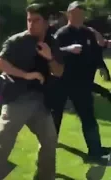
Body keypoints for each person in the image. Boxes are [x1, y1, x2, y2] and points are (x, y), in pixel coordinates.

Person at [0, 4, 63, 180]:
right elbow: (0, 63)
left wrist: (49, 58)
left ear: (46, 22)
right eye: (29, 20)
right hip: (17, 100)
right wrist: (26, 75)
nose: (31, 24)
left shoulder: (51, 41)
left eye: (36, 20)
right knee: (4, 144)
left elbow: (59, 71)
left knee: (50, 141)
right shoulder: (17, 41)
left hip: (41, 102)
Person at [53, 1, 110, 163]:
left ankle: (95, 151)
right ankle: (48, 145)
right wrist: (68, 49)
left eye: (82, 14)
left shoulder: (88, 33)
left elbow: (96, 53)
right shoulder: (61, 34)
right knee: (55, 116)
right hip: (62, 82)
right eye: (76, 14)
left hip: (83, 84)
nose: (80, 17)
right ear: (69, 14)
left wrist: (102, 67)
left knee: (88, 116)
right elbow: (52, 53)